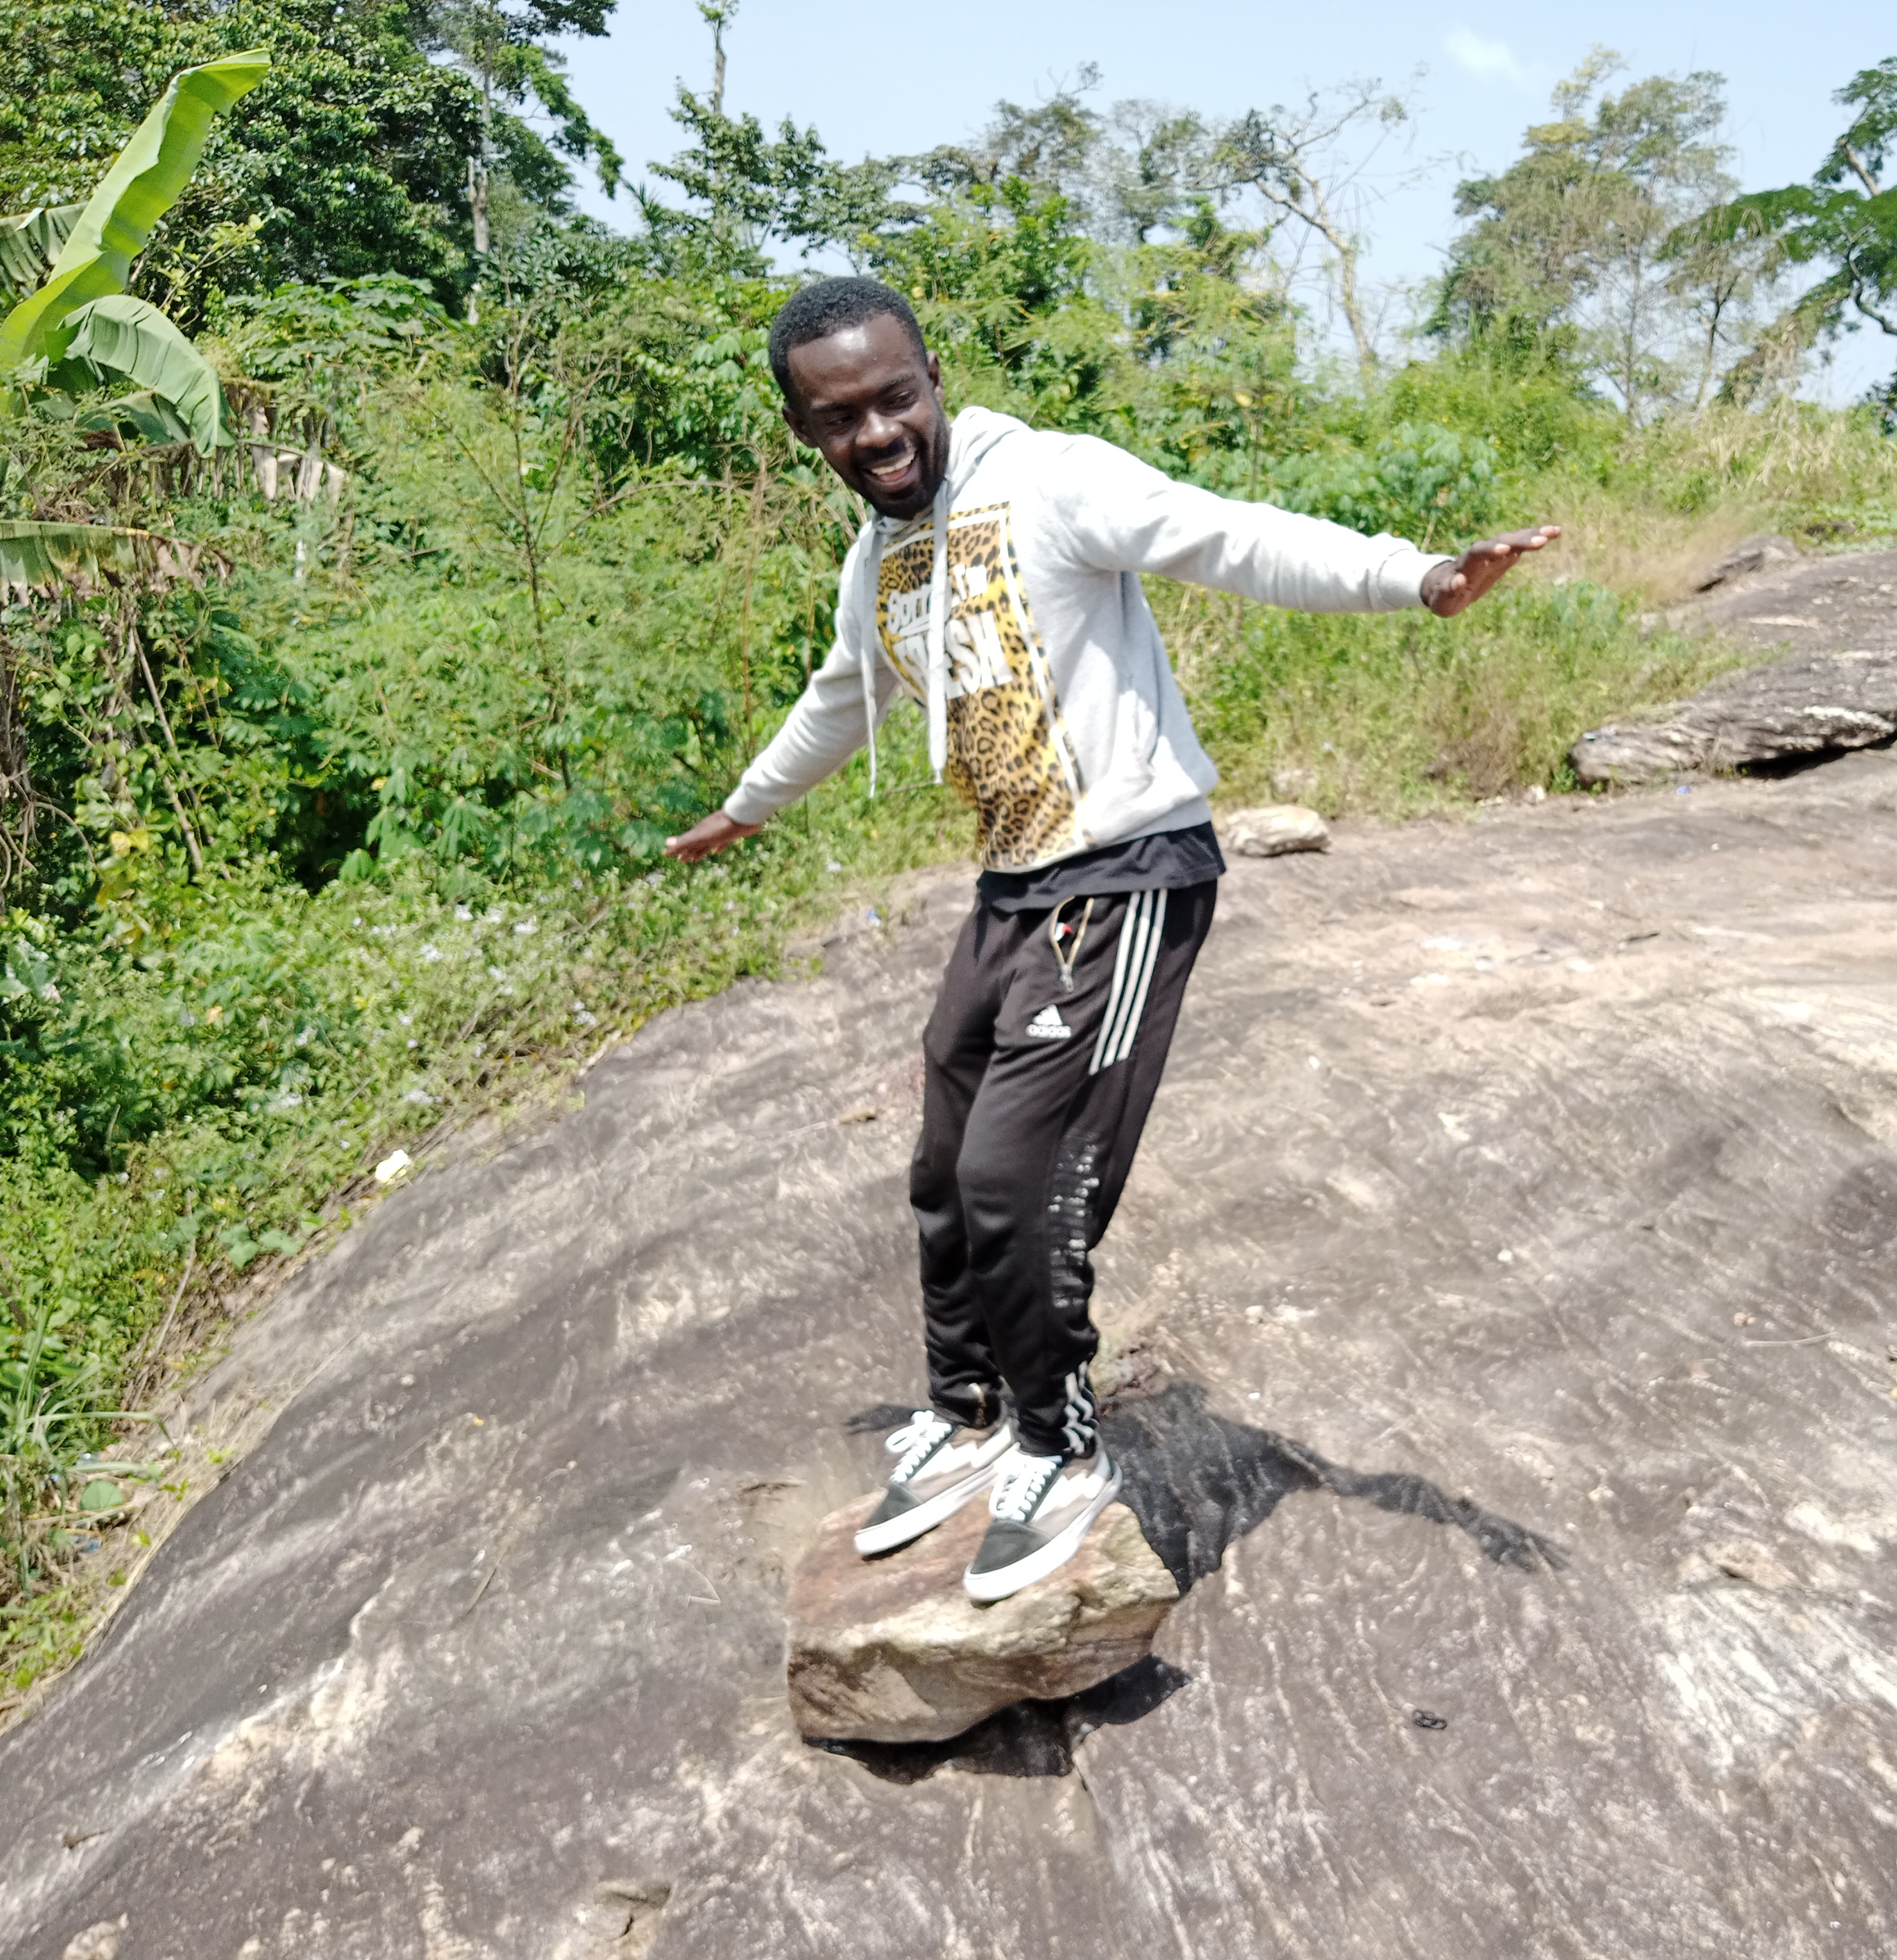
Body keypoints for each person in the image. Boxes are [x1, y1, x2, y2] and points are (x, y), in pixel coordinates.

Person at [666, 276, 1556, 1602]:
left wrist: (1416, 577)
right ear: (806, 431)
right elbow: (844, 695)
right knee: (943, 1162)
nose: (878, 433)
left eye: (897, 398)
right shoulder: (880, 558)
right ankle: (971, 1414)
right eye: (841, 417)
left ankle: (1059, 1444)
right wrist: (747, 807)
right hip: (1015, 885)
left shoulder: (1052, 483)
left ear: (934, 381)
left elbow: (1228, 536)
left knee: (1012, 1177)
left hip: (1129, 874)